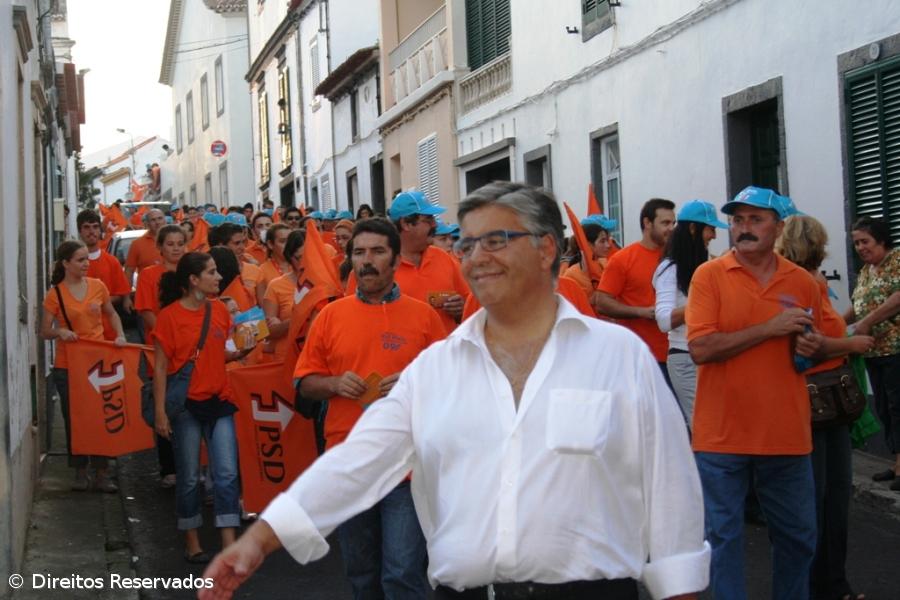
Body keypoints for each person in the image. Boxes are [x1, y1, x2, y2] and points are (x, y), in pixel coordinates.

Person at [200, 182, 708, 600]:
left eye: (495, 241)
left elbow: (670, 492)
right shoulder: (437, 368)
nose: (474, 258)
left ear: (546, 248)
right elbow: (356, 462)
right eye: (466, 244)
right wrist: (258, 542)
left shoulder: (619, 356)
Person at [286, 218, 447, 599]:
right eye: (359, 253)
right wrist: (334, 383)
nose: (367, 261)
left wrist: (413, 385)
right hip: (350, 463)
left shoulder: (424, 316)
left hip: (406, 465)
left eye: (377, 252)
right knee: (361, 574)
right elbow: (304, 382)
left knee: (403, 573)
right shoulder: (330, 316)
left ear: (395, 259)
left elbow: (450, 385)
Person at [686, 186, 826, 600]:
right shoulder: (708, 276)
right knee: (723, 540)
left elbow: (809, 348)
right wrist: (769, 329)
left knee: (799, 538)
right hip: (721, 434)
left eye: (755, 219)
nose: (743, 228)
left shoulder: (803, 282)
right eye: (737, 220)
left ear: (778, 227)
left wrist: (809, 348)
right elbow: (701, 348)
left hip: (785, 432)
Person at [776, 215, 874, 600]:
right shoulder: (807, 283)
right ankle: (826, 586)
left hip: (819, 403)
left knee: (823, 498)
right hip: (818, 402)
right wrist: (851, 344)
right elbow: (807, 344)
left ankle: (828, 584)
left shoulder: (795, 281)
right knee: (824, 500)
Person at [152, 252, 251, 564]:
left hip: (219, 400)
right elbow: (160, 368)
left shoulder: (220, 311)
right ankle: (192, 539)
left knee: (226, 473)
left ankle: (228, 542)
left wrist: (239, 353)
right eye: (211, 272)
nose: (219, 277)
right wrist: (159, 413)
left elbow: (217, 353)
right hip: (186, 408)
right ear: (193, 280)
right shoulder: (168, 318)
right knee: (190, 476)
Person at [41, 241, 127, 493]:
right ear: (66, 263)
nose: (86, 263)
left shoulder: (98, 286)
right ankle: (80, 470)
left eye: (86, 259)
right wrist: (60, 331)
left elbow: (112, 314)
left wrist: (120, 335)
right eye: (80, 260)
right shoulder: (55, 294)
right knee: (75, 419)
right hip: (67, 366)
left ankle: (102, 473)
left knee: (100, 417)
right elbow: (44, 330)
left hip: (97, 363)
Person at [652, 200, 727, 425]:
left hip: (713, 355)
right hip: (685, 359)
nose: (713, 235)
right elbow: (664, 320)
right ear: (693, 229)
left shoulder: (709, 264)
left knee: (719, 426)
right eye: (710, 229)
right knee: (705, 428)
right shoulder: (670, 269)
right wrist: (702, 302)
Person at [844, 216, 900, 490]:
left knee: (898, 405)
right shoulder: (867, 271)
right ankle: (897, 461)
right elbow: (858, 305)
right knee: (885, 408)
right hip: (874, 351)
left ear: (881, 239)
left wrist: (867, 322)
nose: (860, 247)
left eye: (865, 241)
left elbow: (897, 298)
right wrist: (834, 324)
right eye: (856, 243)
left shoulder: (896, 261)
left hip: (896, 348)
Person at [594, 198, 676, 381]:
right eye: (665, 223)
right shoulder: (622, 259)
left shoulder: (677, 257)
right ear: (647, 223)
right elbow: (602, 302)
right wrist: (641, 312)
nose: (671, 228)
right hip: (642, 358)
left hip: (678, 356)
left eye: (673, 223)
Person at [375, 190, 470, 333]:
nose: (435, 225)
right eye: (428, 220)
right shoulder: (379, 265)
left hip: (444, 353)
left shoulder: (443, 258)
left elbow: (469, 304)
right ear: (406, 224)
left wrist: (460, 309)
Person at [77, 209, 133, 339]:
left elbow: (120, 295)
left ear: (100, 231)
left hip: (108, 331)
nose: (91, 231)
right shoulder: (72, 263)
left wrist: (98, 301)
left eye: (95, 227)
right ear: (80, 231)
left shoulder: (112, 262)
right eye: (86, 227)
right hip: (80, 333)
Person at [262, 230, 307, 361]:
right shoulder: (276, 286)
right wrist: (295, 320)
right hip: (287, 359)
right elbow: (268, 332)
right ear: (289, 257)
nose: (304, 263)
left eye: (308, 257)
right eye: (299, 258)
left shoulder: (326, 284)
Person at [564, 214, 616, 298]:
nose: (608, 245)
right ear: (588, 245)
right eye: (602, 241)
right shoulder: (571, 275)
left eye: (607, 240)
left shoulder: (605, 264)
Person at [125, 208, 167, 283]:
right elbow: (129, 272)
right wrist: (128, 293)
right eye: (153, 220)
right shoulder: (137, 244)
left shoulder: (176, 241)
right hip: (146, 291)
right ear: (147, 224)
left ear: (165, 220)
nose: (157, 222)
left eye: (160, 218)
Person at [256, 224, 291, 306]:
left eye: (290, 241)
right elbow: (263, 305)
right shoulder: (262, 271)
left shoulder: (300, 266)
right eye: (282, 241)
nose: (288, 245)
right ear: (270, 244)